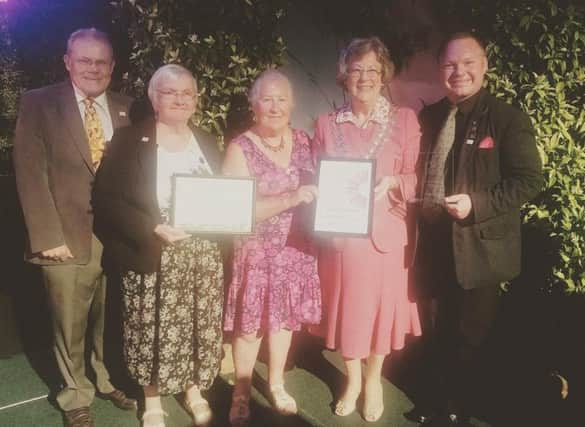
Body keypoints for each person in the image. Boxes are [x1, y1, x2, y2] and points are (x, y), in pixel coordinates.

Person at [409, 32, 543, 426]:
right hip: (433, 243)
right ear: (440, 71)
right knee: (438, 330)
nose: (459, 72)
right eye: (450, 64)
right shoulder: (429, 116)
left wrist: (476, 204)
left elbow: (530, 180)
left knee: (470, 336)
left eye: (468, 63)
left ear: (484, 66)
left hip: (479, 248)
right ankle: (435, 402)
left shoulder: (506, 118)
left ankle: (457, 411)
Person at [12, 28, 136, 427]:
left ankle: (102, 378)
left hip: (116, 237)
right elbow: (30, 173)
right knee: (69, 324)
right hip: (64, 236)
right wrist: (47, 237)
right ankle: (75, 394)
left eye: (102, 61)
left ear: (112, 67)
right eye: (84, 60)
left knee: (108, 316)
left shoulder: (128, 108)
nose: (93, 68)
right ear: (68, 61)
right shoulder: (39, 103)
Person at [92, 64, 224, 427]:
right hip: (152, 250)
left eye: (187, 93)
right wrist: (152, 227)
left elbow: (223, 196)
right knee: (148, 328)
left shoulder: (208, 141)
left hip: (201, 255)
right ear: (154, 98)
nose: (180, 99)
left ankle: (193, 388)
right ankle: (151, 398)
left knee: (198, 325)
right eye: (170, 92)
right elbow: (106, 201)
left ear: (196, 100)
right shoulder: (128, 141)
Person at [311, 36, 422, 423]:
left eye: (372, 69)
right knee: (350, 313)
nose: (364, 77)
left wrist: (394, 183)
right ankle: (353, 380)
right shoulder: (325, 123)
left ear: (383, 73)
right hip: (343, 237)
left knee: (377, 315)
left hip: (385, 239)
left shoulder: (405, 120)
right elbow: (317, 176)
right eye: (356, 69)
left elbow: (417, 177)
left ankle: (374, 380)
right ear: (344, 75)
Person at [222, 69, 321, 425]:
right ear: (254, 105)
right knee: (249, 328)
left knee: (283, 323)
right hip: (257, 254)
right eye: (267, 99)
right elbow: (236, 209)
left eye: (282, 99)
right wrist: (290, 198)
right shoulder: (240, 148)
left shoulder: (306, 141)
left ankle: (277, 383)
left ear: (292, 104)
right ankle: (241, 392)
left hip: (296, 251)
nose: (275, 106)